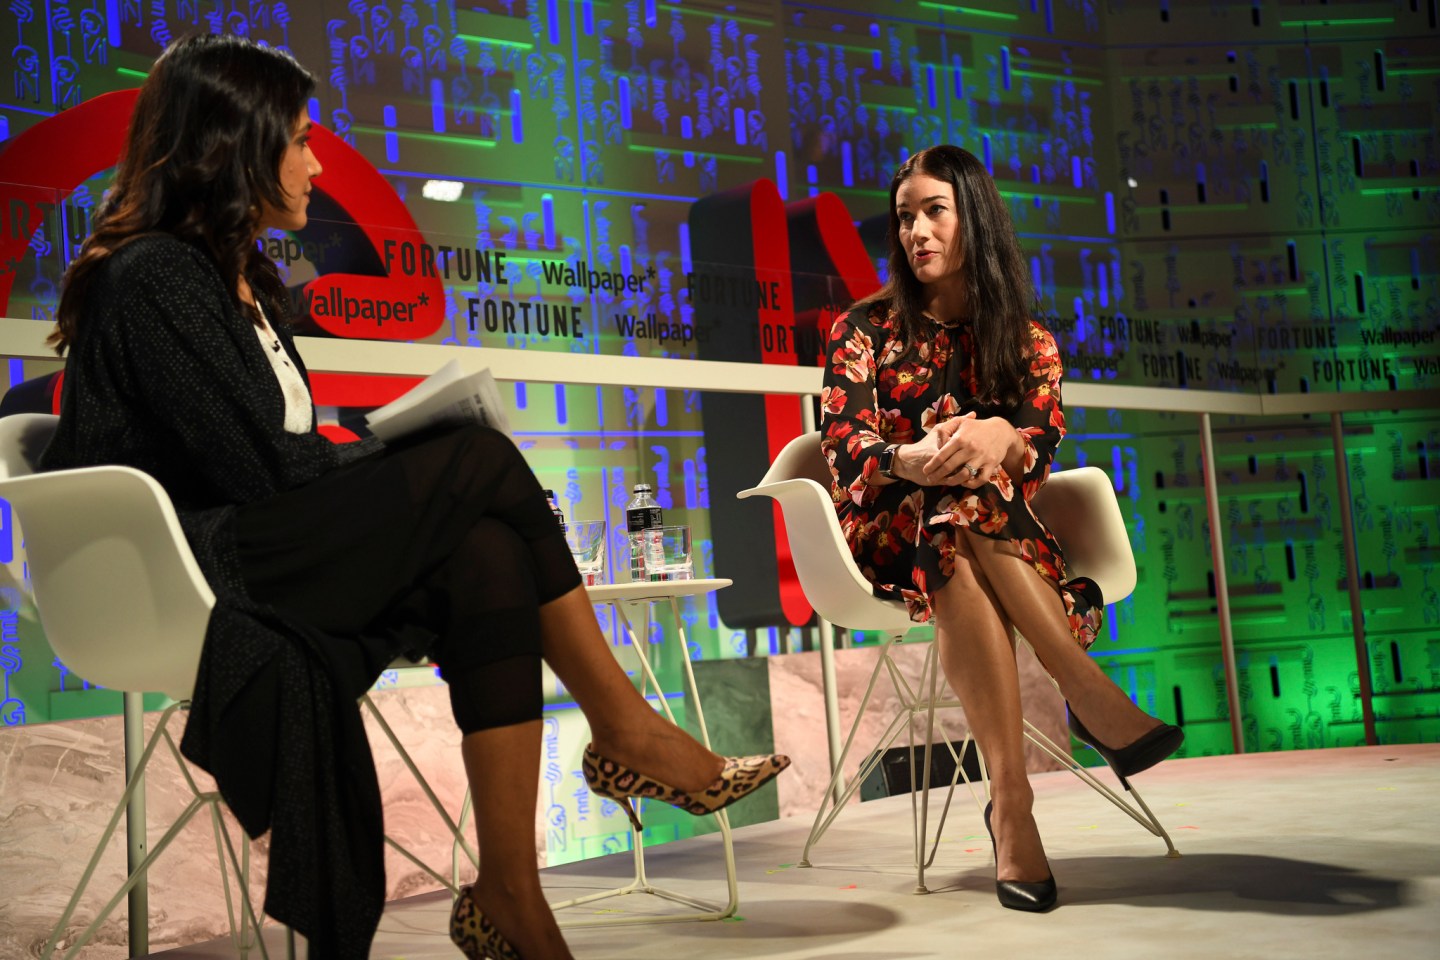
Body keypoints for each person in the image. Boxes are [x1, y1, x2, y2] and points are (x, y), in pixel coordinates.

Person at [40, 34, 788, 960]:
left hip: (266, 536)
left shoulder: (251, 286)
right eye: (300, 139)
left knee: (490, 557)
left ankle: (511, 890)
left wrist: (377, 460)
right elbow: (259, 468)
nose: (316, 163)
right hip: (200, 569)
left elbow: (281, 449)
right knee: (474, 456)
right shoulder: (153, 275)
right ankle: (626, 727)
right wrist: (402, 466)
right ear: (233, 146)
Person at [819, 145, 1181, 913]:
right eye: (904, 217)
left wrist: (1000, 440)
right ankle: (1085, 691)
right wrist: (913, 458)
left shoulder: (1028, 341)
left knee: (966, 507)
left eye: (933, 211)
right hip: (886, 530)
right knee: (953, 501)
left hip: (989, 529)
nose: (915, 231)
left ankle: (1011, 804)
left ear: (973, 217)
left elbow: (1038, 449)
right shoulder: (862, 330)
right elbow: (845, 445)